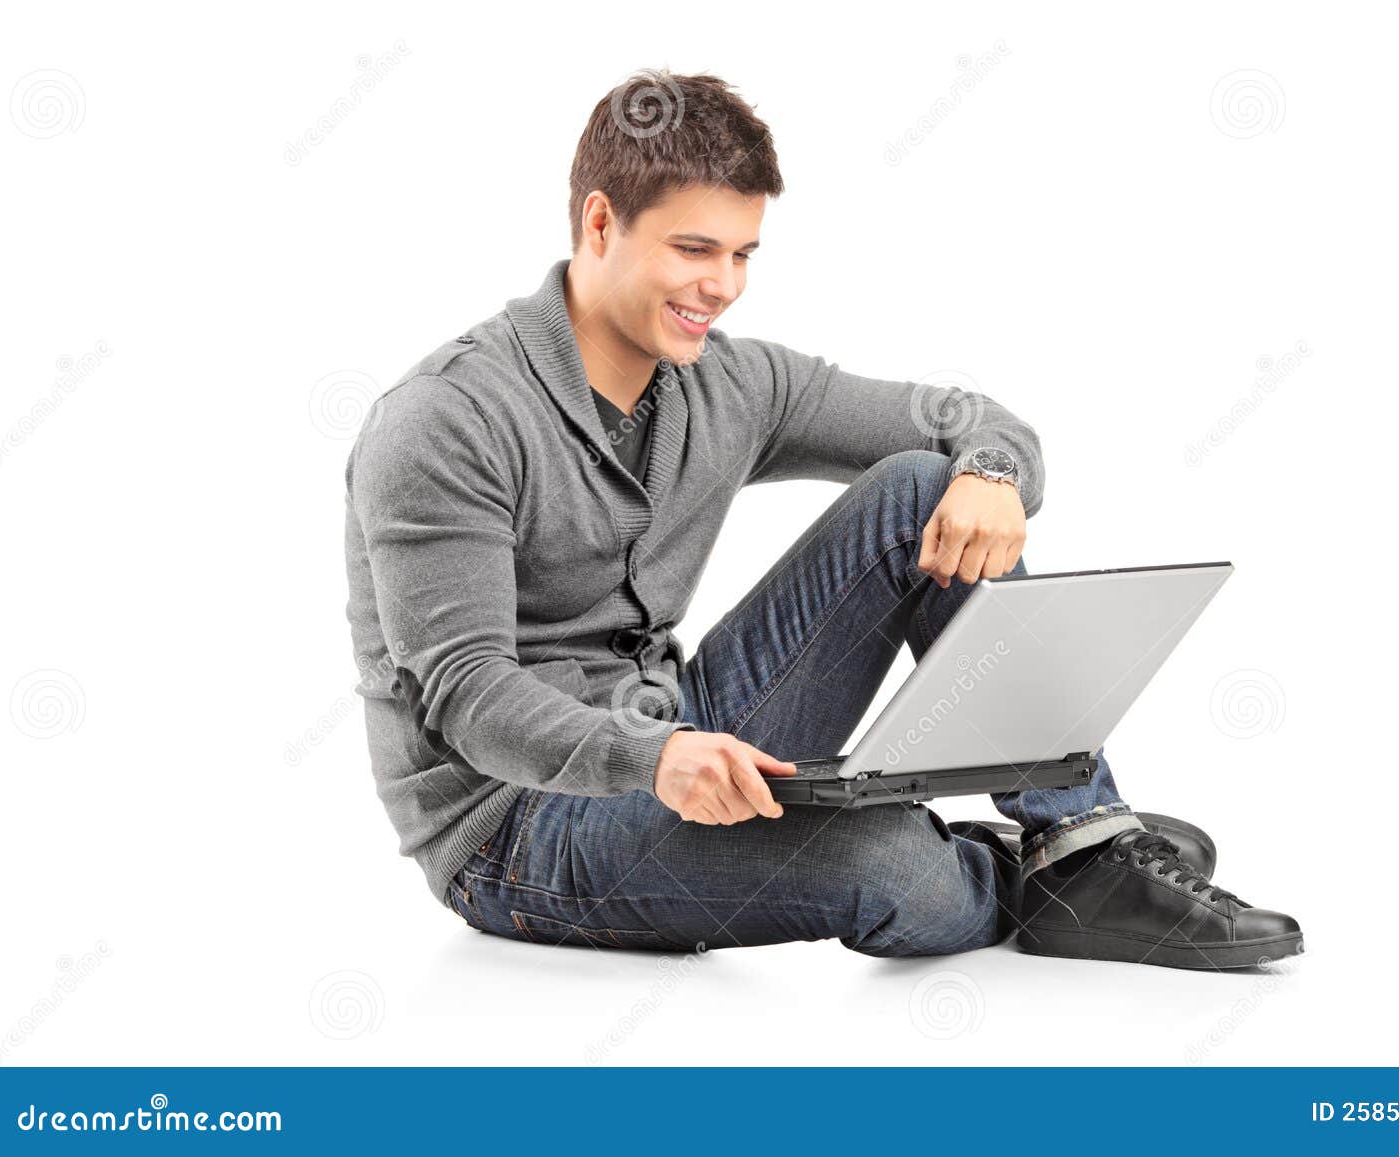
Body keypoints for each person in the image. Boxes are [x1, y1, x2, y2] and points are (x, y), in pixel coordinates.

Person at [342, 69, 1303, 968]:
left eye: (742, 253)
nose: (720, 286)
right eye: (692, 249)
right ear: (600, 224)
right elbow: (466, 693)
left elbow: (968, 423)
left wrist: (994, 471)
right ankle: (1020, 869)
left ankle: (1081, 839)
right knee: (889, 871)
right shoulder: (446, 419)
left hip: (685, 734)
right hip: (516, 824)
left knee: (926, 486)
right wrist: (654, 755)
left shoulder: (729, 381)